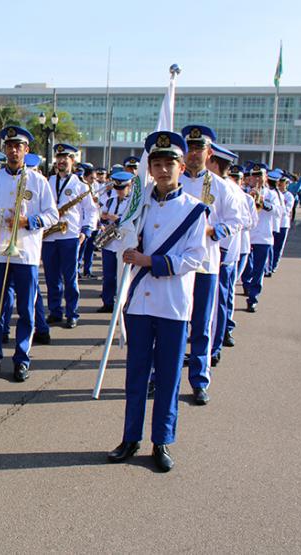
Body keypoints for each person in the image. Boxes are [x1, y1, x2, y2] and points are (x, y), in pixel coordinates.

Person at [107, 130, 207, 473]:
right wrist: (128, 246)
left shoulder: (195, 210)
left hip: (173, 305)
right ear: (149, 168)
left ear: (181, 167)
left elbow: (195, 258)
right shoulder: (138, 205)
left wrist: (150, 261)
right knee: (135, 375)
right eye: (157, 164)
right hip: (138, 304)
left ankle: (161, 440)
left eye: (169, 164)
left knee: (167, 378)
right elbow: (120, 245)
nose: (163, 170)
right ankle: (129, 437)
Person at [0, 126, 58, 382]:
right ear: (4, 149)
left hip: (27, 255)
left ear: (26, 150)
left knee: (26, 310)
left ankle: (22, 358)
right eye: (9, 146)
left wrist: (27, 221)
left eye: (18, 146)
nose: (13, 150)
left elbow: (52, 215)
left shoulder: (38, 180)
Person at [177, 125, 244, 406]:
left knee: (202, 326)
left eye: (199, 149)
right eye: (189, 148)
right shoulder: (173, 181)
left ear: (209, 152)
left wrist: (209, 231)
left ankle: (199, 380)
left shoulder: (221, 186)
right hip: (177, 265)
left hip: (206, 264)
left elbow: (235, 221)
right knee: (174, 324)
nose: (194, 154)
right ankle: (161, 375)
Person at [35, 143, 95, 329]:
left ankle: (72, 313)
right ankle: (55, 311)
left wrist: (86, 231)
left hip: (69, 236)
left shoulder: (81, 185)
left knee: (70, 278)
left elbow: (91, 211)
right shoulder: (46, 181)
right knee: (52, 277)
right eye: (59, 158)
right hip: (49, 236)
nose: (61, 161)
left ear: (72, 161)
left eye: (65, 158)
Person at [206, 143, 248, 367]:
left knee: (216, 304)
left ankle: (213, 348)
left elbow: (238, 222)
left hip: (220, 253)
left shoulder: (223, 188)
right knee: (220, 301)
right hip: (227, 253)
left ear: (213, 162)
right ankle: (215, 344)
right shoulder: (234, 188)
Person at [223, 164, 256, 348]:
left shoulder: (245, 198)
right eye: (232, 176)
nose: (234, 181)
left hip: (239, 247)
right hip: (219, 250)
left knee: (228, 291)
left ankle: (227, 328)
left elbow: (250, 222)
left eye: (238, 178)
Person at [240, 163, 281, 312]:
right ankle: (246, 285)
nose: (256, 179)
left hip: (263, 237)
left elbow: (277, 212)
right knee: (246, 267)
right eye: (254, 176)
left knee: (259, 269)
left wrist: (262, 201)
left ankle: (253, 298)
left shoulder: (272, 194)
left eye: (259, 176)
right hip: (248, 236)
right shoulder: (244, 192)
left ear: (265, 177)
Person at [97, 171, 133, 312]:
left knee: (122, 276)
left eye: (122, 189)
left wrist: (114, 218)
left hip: (123, 243)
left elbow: (129, 221)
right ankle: (107, 303)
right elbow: (102, 216)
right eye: (117, 189)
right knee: (108, 275)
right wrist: (103, 221)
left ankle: (123, 304)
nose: (119, 192)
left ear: (129, 187)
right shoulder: (110, 201)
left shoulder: (132, 203)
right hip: (109, 242)